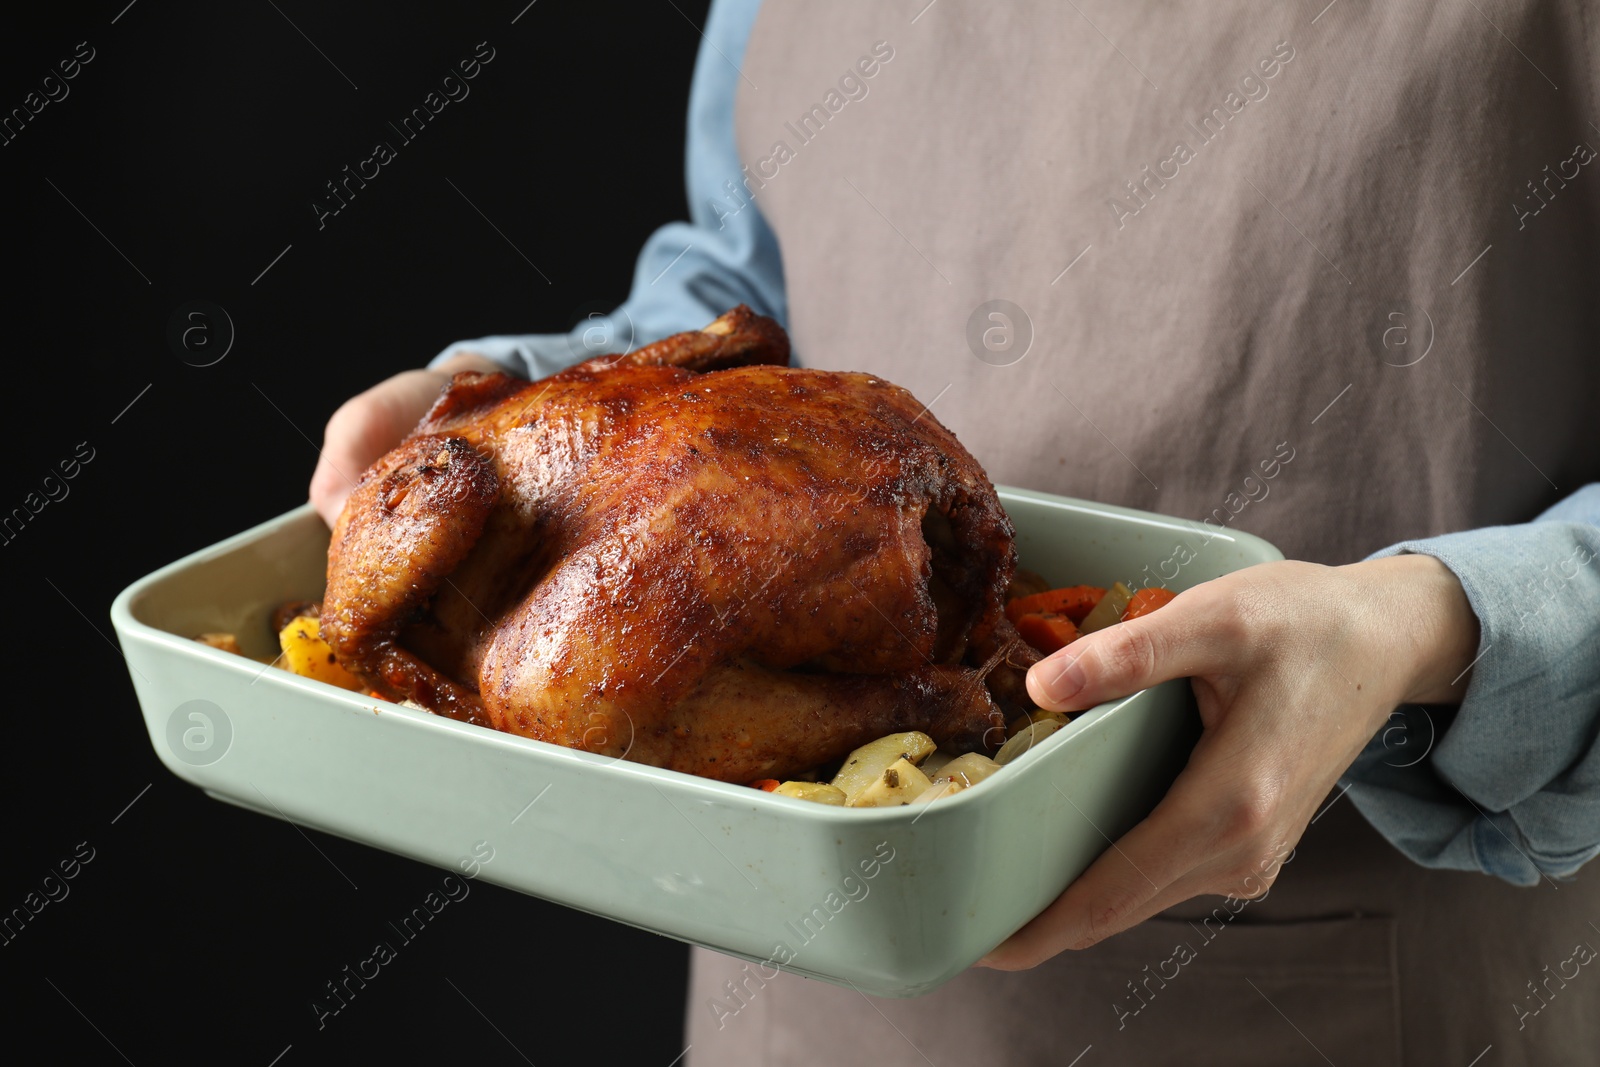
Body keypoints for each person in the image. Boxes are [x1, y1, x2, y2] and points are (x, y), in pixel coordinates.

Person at [310, 2, 1600, 1062]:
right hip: (802, 998)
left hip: (1355, 990)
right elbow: (739, 285)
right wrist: (502, 403)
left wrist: (1433, 623)